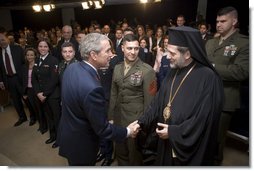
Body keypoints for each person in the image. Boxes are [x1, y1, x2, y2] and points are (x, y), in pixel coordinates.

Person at [133, 26, 224, 166]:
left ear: (187, 54)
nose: (167, 56)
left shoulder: (208, 77)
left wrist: (174, 132)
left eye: (172, 53)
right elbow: (157, 103)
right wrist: (141, 122)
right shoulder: (173, 71)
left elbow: (204, 119)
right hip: (166, 141)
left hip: (188, 146)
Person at [56, 33, 139, 166]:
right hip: (83, 145)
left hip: (69, 136)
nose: (111, 54)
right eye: (107, 51)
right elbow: (103, 129)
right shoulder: (92, 88)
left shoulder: (71, 68)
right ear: (93, 55)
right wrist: (127, 131)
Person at [205, 6, 249, 165]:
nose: (219, 24)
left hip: (225, 99)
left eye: (223, 21)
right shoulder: (210, 42)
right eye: (217, 21)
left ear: (234, 21)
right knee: (202, 135)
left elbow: (241, 72)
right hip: (205, 97)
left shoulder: (244, 43)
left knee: (216, 140)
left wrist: (213, 67)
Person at [108, 34, 157, 166]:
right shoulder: (117, 67)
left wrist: (142, 125)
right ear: (122, 48)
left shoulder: (147, 71)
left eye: (136, 48)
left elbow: (150, 103)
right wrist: (111, 117)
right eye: (129, 48)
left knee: (135, 156)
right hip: (118, 119)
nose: (133, 52)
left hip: (135, 120)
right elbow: (113, 93)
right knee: (121, 153)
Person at [32, 38, 61, 148]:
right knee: (49, 117)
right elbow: (34, 79)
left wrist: (44, 94)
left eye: (45, 46)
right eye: (40, 46)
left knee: (57, 118)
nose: (42, 48)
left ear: (49, 48)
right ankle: (53, 136)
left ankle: (60, 139)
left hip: (52, 95)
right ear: (37, 48)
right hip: (41, 96)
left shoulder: (53, 60)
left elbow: (54, 80)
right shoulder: (36, 60)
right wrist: (38, 92)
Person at [0, 31, 28, 127]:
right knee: (16, 101)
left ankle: (33, 116)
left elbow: (24, 64)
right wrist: (1, 81)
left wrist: (26, 77)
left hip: (19, 77)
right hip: (9, 79)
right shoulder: (0, 53)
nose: (2, 42)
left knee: (26, 98)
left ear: (7, 39)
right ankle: (22, 117)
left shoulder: (17, 49)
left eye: (3, 39)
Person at [22, 48, 39, 126]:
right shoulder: (24, 66)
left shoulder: (38, 65)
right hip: (28, 90)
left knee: (40, 107)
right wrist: (24, 93)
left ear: (35, 56)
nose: (29, 57)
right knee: (32, 107)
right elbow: (22, 81)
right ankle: (35, 119)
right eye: (28, 55)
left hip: (37, 90)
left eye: (31, 55)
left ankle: (43, 122)